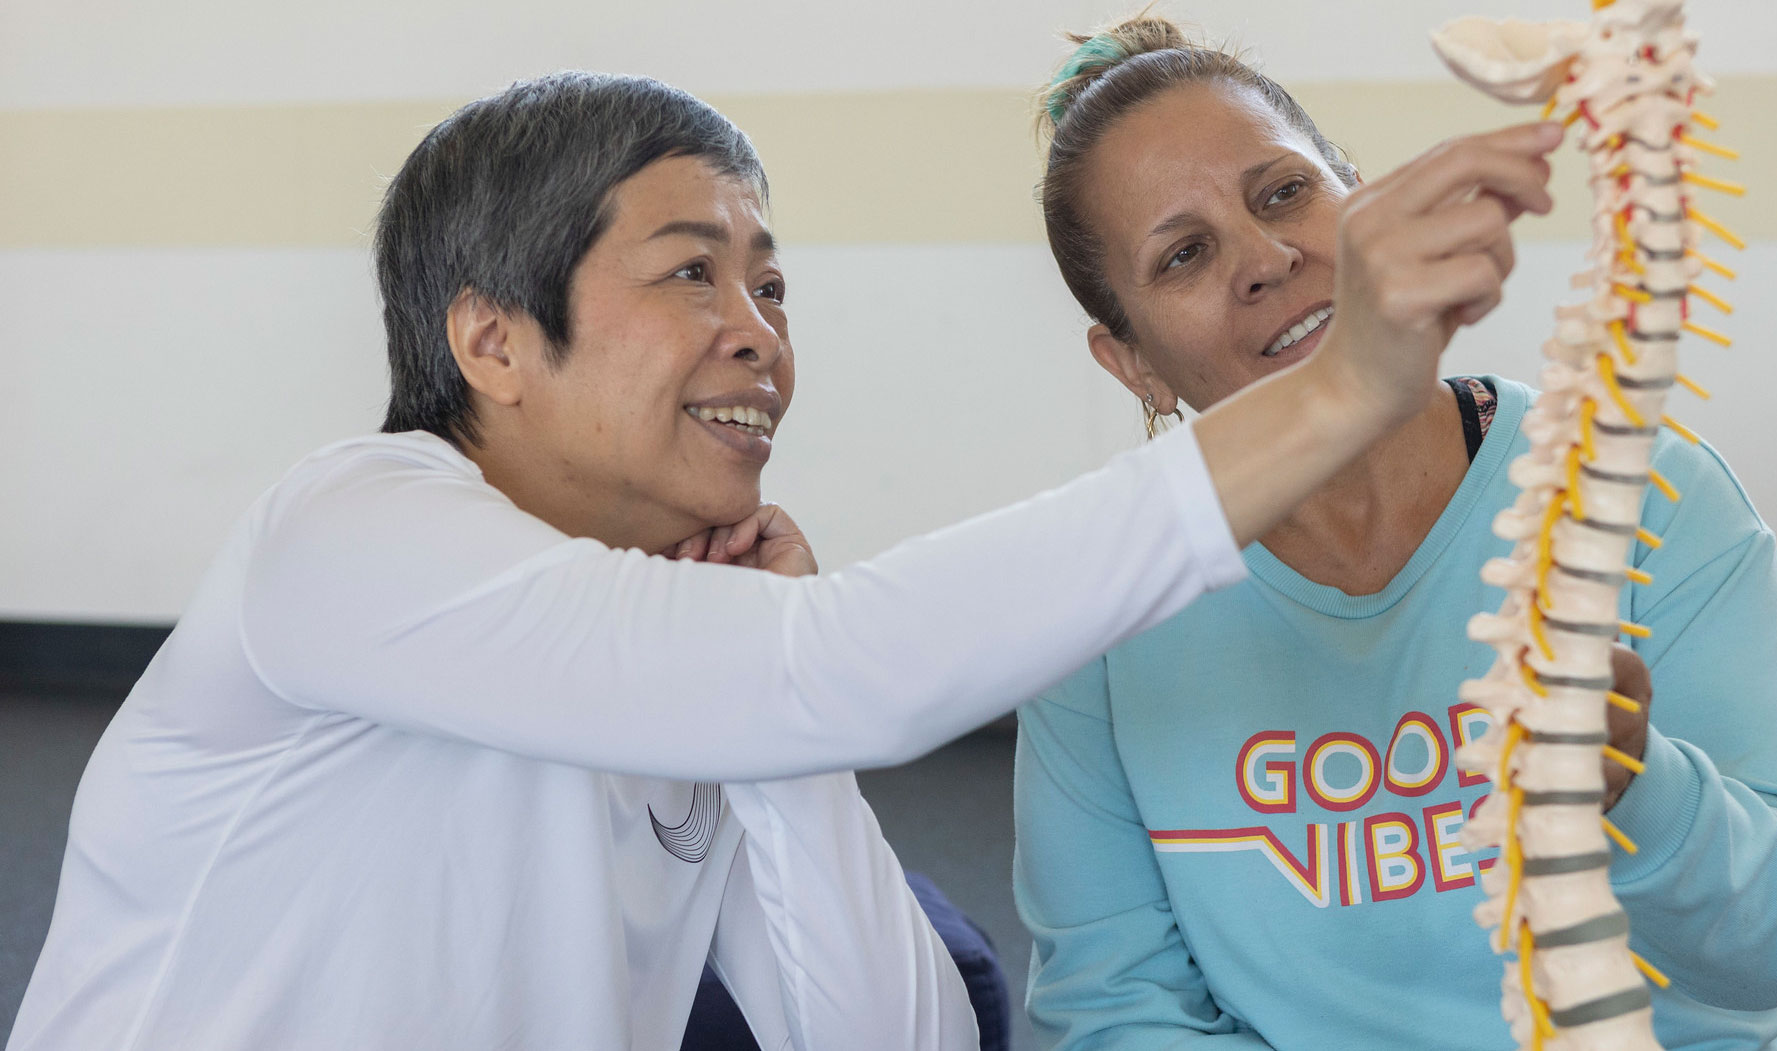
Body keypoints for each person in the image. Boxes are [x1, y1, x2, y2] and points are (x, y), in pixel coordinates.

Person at [7, 70, 1561, 1050]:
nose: (759, 329)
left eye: (771, 282)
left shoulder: (700, 637)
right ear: (490, 337)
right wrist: (1346, 382)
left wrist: (786, 748)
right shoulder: (348, 533)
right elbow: (852, 669)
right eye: (692, 272)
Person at [1013, 17, 1777, 1051]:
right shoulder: (1096, 605)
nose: (1266, 259)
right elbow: (1111, 1010)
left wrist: (1645, 791)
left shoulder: (1647, 492)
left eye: (1282, 192)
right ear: (1129, 360)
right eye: (1183, 255)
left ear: (1359, 195)